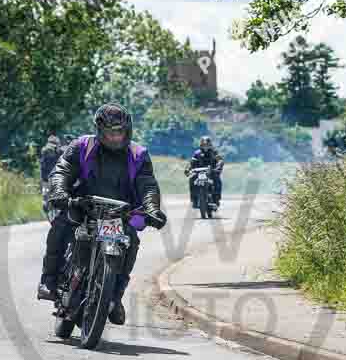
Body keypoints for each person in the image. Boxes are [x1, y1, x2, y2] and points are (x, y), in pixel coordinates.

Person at [37, 103, 167, 325]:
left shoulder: (139, 154)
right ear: (99, 131)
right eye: (110, 133)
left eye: (120, 132)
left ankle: (115, 297)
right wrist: (59, 191)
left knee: (131, 242)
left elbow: (148, 185)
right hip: (83, 205)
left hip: (119, 212)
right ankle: (48, 280)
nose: (115, 137)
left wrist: (153, 208)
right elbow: (63, 169)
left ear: (128, 130)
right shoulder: (81, 146)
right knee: (61, 224)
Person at [185, 136, 224, 208]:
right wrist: (188, 169)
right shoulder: (197, 153)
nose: (205, 147)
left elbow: (220, 160)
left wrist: (219, 166)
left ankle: (216, 199)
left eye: (207, 145)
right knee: (191, 179)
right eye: (204, 145)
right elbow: (191, 162)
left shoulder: (214, 152)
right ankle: (194, 199)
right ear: (201, 145)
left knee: (217, 180)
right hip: (198, 172)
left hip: (211, 172)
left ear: (210, 145)